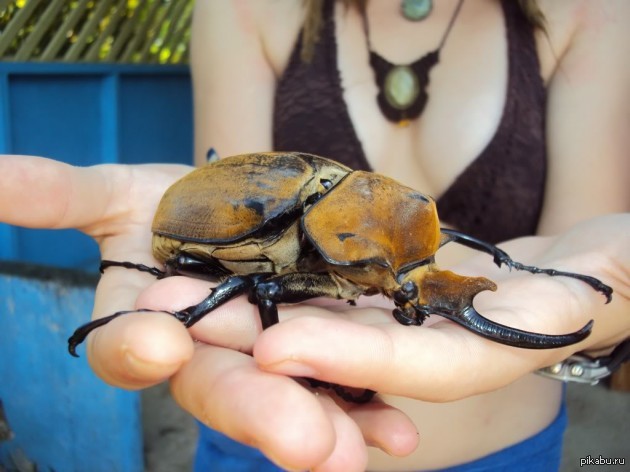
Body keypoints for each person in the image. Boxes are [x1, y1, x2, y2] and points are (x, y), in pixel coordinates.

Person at [1, 0, 628, 470]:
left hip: (509, 451)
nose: (405, 284)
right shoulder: (245, 9)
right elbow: (249, 276)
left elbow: (573, 241)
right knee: (260, 283)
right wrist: (179, 302)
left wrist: (571, 286)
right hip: (261, 442)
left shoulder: (595, 13)